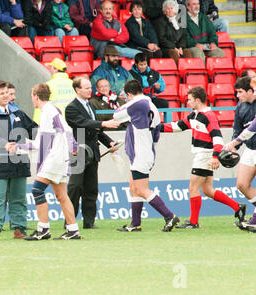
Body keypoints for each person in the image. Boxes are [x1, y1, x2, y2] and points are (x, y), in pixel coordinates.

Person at [160, 86, 246, 228]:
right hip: (203, 155)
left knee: (193, 187)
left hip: (205, 155)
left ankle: (193, 222)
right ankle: (238, 207)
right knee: (207, 190)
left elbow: (217, 138)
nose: (188, 103)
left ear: (198, 100)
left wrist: (215, 157)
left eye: (190, 100)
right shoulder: (194, 115)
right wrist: (156, 127)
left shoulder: (208, 116)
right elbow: (178, 126)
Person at [6, 83, 81, 240]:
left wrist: (19, 147)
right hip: (61, 159)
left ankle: (43, 229)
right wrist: (18, 147)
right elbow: (62, 132)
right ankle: (73, 230)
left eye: (32, 96)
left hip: (54, 159)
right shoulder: (52, 110)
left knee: (37, 190)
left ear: (36, 97)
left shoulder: (47, 111)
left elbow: (42, 143)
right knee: (61, 195)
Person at [112, 79, 180, 232]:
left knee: (141, 189)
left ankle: (169, 216)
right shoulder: (152, 106)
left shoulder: (137, 103)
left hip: (140, 152)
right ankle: (135, 224)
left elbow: (116, 116)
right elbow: (156, 133)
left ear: (129, 94)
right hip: (145, 150)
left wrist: (121, 104)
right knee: (134, 186)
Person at [0, 80, 38, 240]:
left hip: (20, 162)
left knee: (19, 197)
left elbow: (34, 129)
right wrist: (5, 144)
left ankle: (19, 229)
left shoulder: (18, 113)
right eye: (1, 93)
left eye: (7, 92)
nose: (5, 96)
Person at [65, 76, 120, 229]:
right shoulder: (71, 108)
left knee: (91, 189)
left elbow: (96, 130)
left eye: (90, 87)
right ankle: (69, 221)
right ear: (77, 90)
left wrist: (109, 141)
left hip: (92, 152)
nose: (91, 90)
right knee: (75, 187)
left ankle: (89, 222)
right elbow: (83, 123)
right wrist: (103, 123)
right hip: (78, 152)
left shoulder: (91, 106)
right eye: (87, 88)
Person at [224, 77, 256, 232]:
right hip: (250, 149)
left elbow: (252, 129)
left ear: (251, 91)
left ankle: (255, 219)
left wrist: (234, 143)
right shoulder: (240, 107)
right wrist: (234, 148)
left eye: (240, 92)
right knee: (242, 184)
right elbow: (237, 129)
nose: (238, 95)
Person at [33, 58, 76, 124]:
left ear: (55, 69)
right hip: (73, 123)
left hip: (56, 124)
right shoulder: (73, 84)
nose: (49, 70)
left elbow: (40, 105)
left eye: (51, 67)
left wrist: (36, 124)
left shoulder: (48, 85)